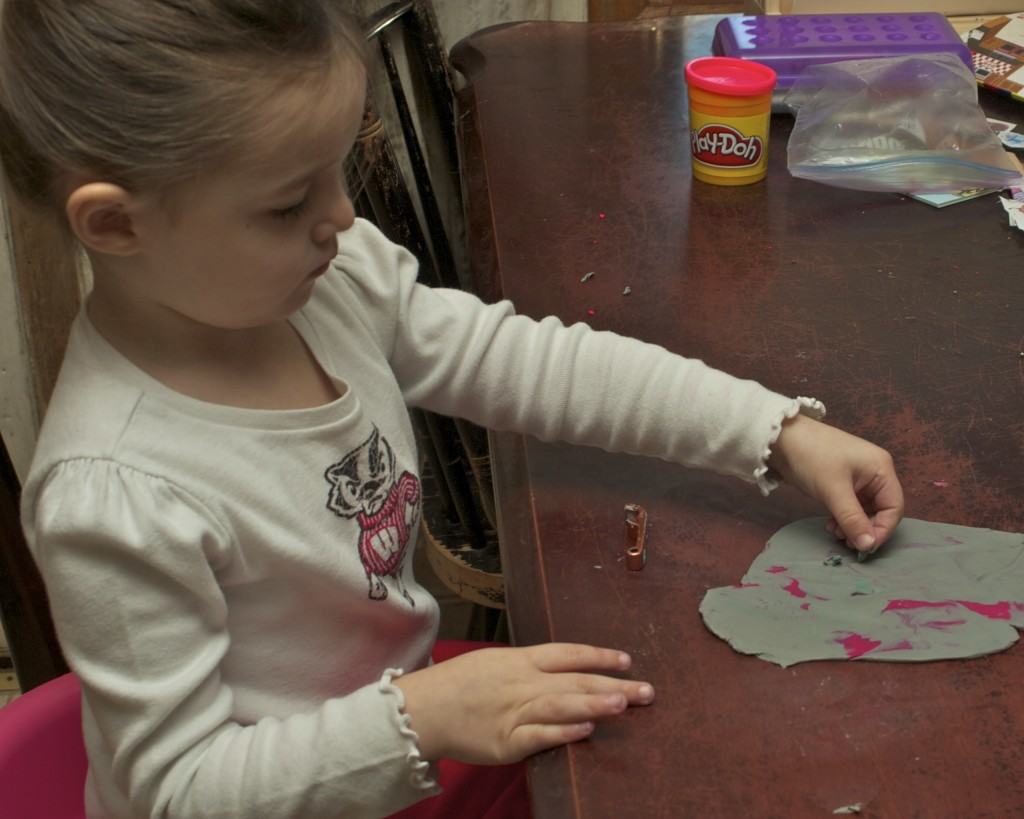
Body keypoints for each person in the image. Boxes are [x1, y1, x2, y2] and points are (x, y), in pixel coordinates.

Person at [0, 2, 904, 818]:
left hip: (401, 729)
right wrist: (419, 720)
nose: (343, 216)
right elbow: (177, 792)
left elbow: (526, 362)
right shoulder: (114, 493)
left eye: (337, 169)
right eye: (287, 203)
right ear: (115, 225)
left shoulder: (329, 280)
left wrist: (774, 431)